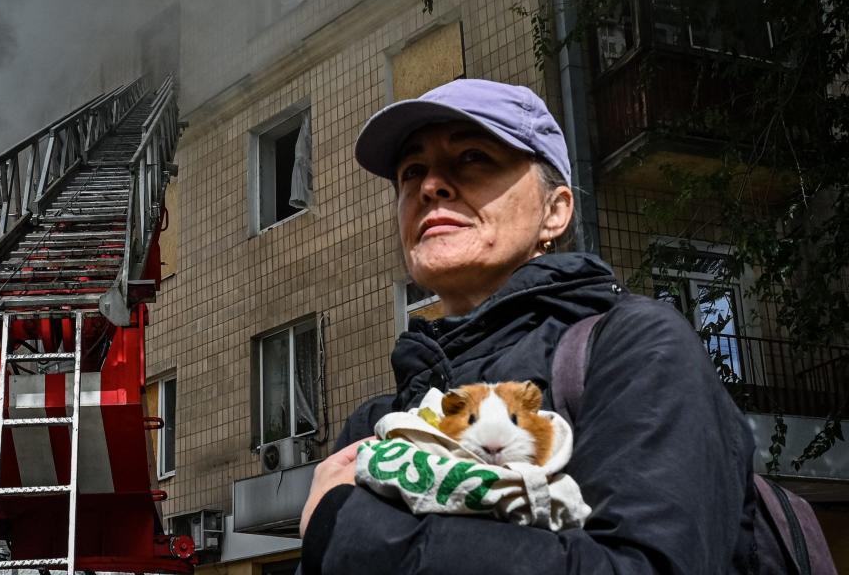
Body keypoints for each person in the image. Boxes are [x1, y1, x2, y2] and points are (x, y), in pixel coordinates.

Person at [298, 79, 755, 574]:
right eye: (412, 171)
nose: (430, 186)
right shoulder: (378, 425)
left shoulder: (634, 348)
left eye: (473, 157)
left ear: (555, 211)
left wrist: (350, 530)